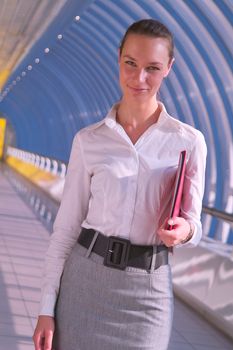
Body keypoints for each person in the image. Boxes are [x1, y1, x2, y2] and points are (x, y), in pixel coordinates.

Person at [33, 19, 207, 350]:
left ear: (169, 67)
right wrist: (45, 309)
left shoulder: (188, 142)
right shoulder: (89, 140)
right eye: (130, 63)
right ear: (118, 58)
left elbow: (194, 226)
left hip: (148, 292)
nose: (139, 78)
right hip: (84, 282)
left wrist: (183, 230)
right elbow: (66, 230)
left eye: (152, 68)